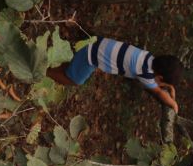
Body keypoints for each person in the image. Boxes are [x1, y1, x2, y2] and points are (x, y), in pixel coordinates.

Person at [47, 37, 183, 113]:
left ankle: (55, 66)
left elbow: (159, 86)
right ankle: (44, 72)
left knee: (73, 66)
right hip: (90, 56)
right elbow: (159, 92)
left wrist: (171, 88)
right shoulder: (145, 73)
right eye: (162, 82)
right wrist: (174, 104)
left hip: (94, 42)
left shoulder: (147, 58)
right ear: (159, 77)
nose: (160, 85)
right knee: (75, 80)